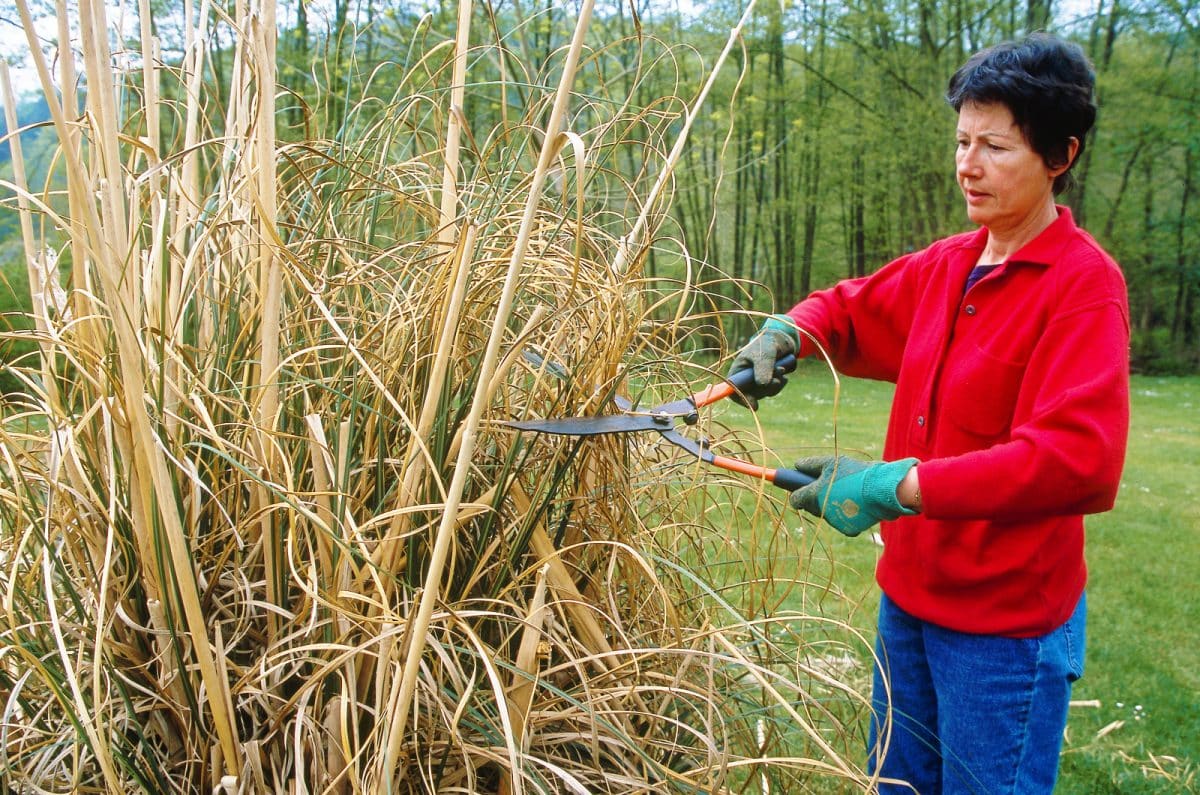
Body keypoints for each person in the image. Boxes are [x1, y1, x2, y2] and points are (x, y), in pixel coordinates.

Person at [729, 33, 1130, 793]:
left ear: (1060, 155)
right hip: (907, 604)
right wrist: (787, 332)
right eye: (961, 141)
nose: (967, 165)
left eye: (995, 147)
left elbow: (1077, 459)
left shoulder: (1083, 288)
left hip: (1004, 632)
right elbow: (846, 309)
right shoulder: (948, 265)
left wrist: (895, 486)